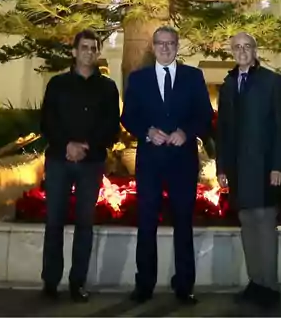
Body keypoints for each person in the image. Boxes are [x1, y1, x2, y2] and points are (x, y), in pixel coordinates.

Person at [121, 26, 213, 305]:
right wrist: (147, 131)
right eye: (160, 43)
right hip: (150, 161)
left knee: (183, 223)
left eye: (170, 43)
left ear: (177, 46)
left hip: (182, 162)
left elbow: (205, 115)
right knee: (146, 223)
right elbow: (128, 117)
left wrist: (186, 132)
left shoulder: (193, 77)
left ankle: (184, 285)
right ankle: (144, 283)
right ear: (153, 46)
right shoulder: (138, 79)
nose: (165, 48)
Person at [38, 30, 121, 302]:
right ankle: (50, 282)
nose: (88, 52)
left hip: (91, 163)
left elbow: (111, 127)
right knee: (54, 223)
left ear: (98, 52)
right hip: (59, 161)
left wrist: (85, 146)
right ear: (74, 52)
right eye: (83, 47)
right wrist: (67, 146)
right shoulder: (57, 85)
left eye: (93, 48)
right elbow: (48, 122)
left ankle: (78, 282)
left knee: (85, 224)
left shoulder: (108, 88)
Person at [215, 32, 281, 309]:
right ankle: (256, 282)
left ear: (255, 50)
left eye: (247, 46)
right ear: (232, 52)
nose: (242, 51)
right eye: (237, 47)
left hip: (264, 168)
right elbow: (222, 130)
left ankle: (270, 287)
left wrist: (277, 166)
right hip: (237, 171)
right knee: (247, 226)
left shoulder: (273, 82)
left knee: (265, 225)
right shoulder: (227, 84)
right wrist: (221, 166)